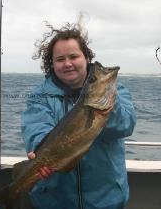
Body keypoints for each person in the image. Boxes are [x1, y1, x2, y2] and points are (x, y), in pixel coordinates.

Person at [21, 20, 136, 209]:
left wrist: (104, 102)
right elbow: (36, 128)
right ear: (52, 63)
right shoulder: (39, 96)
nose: (67, 64)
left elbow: (126, 125)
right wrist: (40, 153)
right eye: (60, 59)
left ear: (86, 57)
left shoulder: (114, 90)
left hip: (106, 200)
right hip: (55, 201)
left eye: (73, 56)